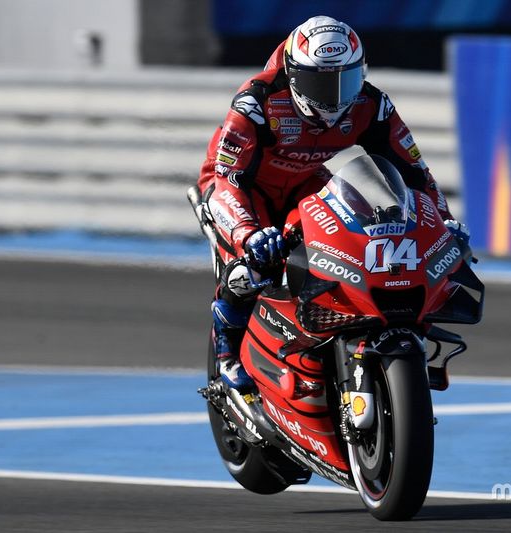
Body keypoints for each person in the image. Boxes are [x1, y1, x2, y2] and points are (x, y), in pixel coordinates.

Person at [196, 15, 469, 389]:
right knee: (251, 269)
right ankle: (226, 347)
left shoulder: (373, 105)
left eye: (347, 80)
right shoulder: (257, 101)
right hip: (242, 189)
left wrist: (443, 223)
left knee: (355, 236)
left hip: (306, 184)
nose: (335, 95)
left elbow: (415, 172)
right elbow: (228, 180)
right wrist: (248, 235)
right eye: (320, 82)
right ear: (293, 76)